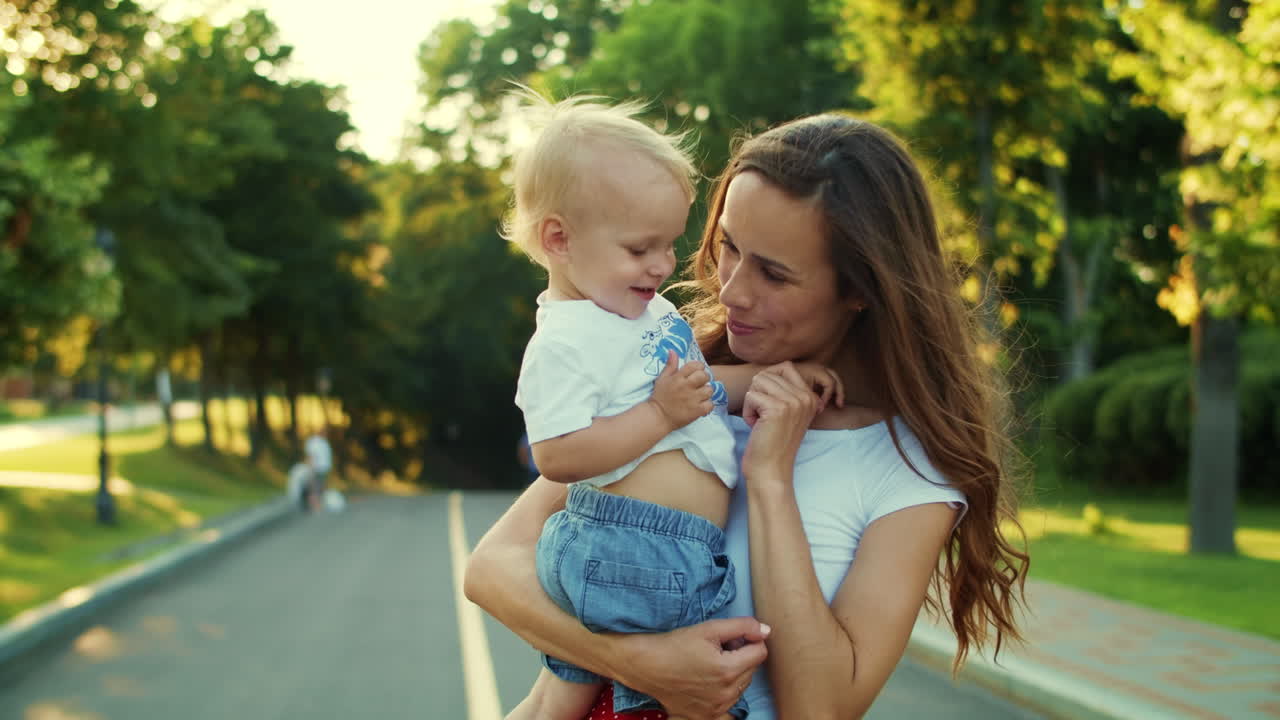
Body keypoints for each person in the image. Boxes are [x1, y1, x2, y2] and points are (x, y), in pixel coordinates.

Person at [465, 112, 1029, 720]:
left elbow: (823, 708)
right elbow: (493, 569)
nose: (731, 289)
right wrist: (640, 664)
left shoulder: (908, 469)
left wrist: (769, 479)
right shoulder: (672, 377)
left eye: (774, 272)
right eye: (729, 245)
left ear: (861, 287)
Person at [500, 94, 843, 720]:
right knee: (680, 696)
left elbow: (704, 389)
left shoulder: (638, 314)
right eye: (640, 249)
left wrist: (777, 376)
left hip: (666, 547)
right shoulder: (566, 340)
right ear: (559, 238)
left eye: (669, 244)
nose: (663, 265)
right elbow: (557, 455)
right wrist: (658, 417)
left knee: (565, 695)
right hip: (633, 546)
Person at [303, 428, 333, 513]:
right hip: (316, 469)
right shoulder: (313, 442)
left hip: (324, 469)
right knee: (314, 488)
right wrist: (311, 468)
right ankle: (315, 507)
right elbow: (310, 456)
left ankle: (320, 505)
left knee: (321, 488)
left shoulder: (324, 442)